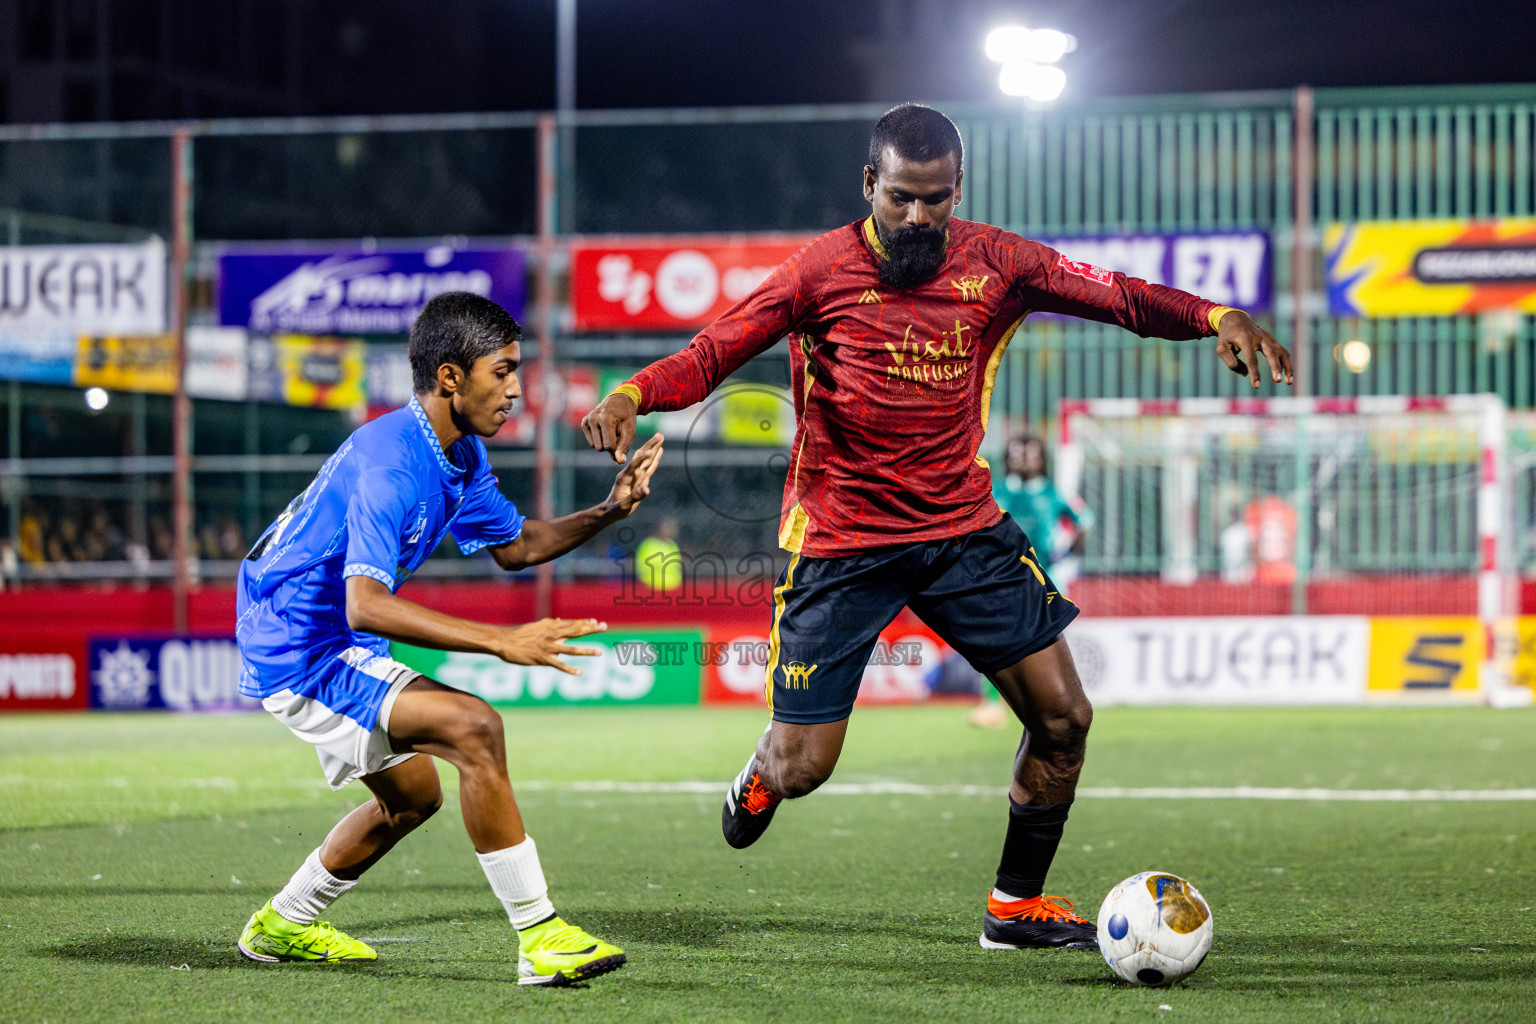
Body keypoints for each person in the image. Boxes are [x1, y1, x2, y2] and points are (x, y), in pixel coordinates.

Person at [582, 103, 1291, 953]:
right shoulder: (819, 272)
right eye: (903, 199)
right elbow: (712, 351)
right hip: (843, 543)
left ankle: (1013, 907)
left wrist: (1218, 318)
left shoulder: (998, 262)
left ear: (960, 188)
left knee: (1064, 719)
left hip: (962, 530)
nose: (920, 216)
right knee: (805, 769)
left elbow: (1122, 296)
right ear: (869, 184)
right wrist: (632, 393)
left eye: (938, 199)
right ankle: (764, 772)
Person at [235, 292, 664, 987]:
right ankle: (541, 937)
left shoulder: (457, 456)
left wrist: (611, 509)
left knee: (413, 798)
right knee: (474, 728)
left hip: (325, 633)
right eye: (503, 371)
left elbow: (518, 546)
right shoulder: (392, 463)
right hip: (298, 642)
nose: (516, 388)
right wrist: (502, 641)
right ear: (450, 378)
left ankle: (284, 923)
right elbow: (366, 604)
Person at [971, 435, 1094, 727]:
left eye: (1030, 453)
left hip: (1045, 578)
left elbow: (1084, 521)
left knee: (1046, 642)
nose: (1023, 459)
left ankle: (1049, 702)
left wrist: (1065, 554)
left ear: (1042, 459)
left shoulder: (1055, 493)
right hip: (1000, 579)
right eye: (1016, 453)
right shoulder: (994, 490)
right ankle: (991, 704)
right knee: (993, 640)